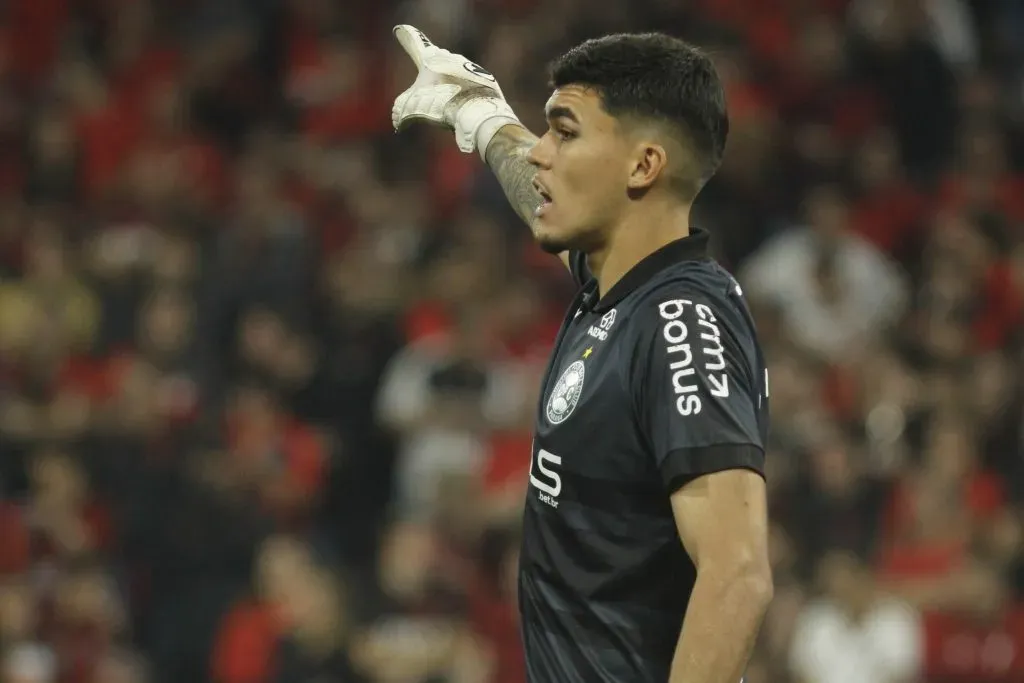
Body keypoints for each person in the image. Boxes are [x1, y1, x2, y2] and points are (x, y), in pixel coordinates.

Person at [391, 25, 773, 683]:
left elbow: (737, 573)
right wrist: (479, 114)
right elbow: (529, 187)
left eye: (565, 132)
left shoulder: (680, 319)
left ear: (643, 165)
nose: (540, 153)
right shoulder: (620, 289)